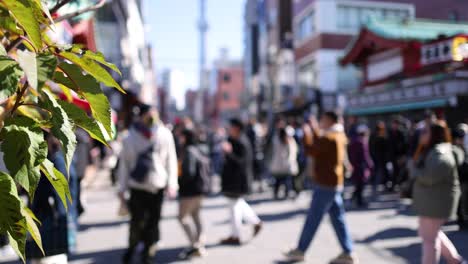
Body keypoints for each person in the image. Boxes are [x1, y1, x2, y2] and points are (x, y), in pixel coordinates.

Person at [285, 111, 357, 263]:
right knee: (338, 219)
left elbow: (313, 149)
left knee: (313, 218)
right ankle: (348, 251)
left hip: (326, 184)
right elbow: (321, 144)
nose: (321, 122)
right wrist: (315, 130)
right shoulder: (338, 135)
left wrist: (307, 134)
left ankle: (300, 250)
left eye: (322, 120)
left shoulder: (330, 137)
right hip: (334, 183)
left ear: (330, 120)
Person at [118, 104, 178, 264]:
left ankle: (148, 254)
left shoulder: (164, 134)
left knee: (153, 222)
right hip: (137, 186)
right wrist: (121, 188)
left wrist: (172, 183)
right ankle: (131, 248)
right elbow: (124, 164)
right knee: (136, 222)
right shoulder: (130, 136)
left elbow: (171, 160)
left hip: (157, 185)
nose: (151, 118)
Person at [410, 121, 466, 264]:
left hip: (435, 203)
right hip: (432, 201)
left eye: (425, 132)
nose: (421, 135)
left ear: (434, 134)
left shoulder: (440, 152)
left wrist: (414, 170)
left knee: (429, 239)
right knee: (430, 234)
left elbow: (430, 176)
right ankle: (455, 260)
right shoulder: (433, 149)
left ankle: (454, 260)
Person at [26, 133, 78, 264]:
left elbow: (60, 194)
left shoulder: (56, 161)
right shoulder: (53, 159)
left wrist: (61, 216)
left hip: (51, 216)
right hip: (48, 215)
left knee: (51, 254)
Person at [220, 118, 263, 245]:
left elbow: (241, 163)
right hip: (234, 181)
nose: (229, 129)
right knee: (237, 204)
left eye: (231, 127)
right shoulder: (235, 140)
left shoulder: (241, 142)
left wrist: (229, 152)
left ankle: (236, 235)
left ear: (237, 128)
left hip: (237, 181)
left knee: (234, 206)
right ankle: (255, 223)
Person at [177, 129, 210, 259]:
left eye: (181, 136)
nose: (180, 139)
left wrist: (179, 180)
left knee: (182, 217)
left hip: (190, 191)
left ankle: (195, 245)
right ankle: (200, 242)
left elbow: (189, 173)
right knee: (196, 215)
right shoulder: (198, 149)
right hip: (200, 190)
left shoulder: (189, 151)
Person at [348, 124, 374, 207]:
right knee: (360, 185)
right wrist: (370, 164)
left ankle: (355, 199)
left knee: (358, 185)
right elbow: (365, 155)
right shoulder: (362, 142)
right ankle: (359, 201)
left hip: (354, 166)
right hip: (361, 167)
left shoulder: (353, 141)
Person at [271, 126, 299, 199]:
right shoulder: (277, 140)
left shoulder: (290, 141)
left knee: (286, 181)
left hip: (286, 165)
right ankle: (277, 193)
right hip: (280, 165)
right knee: (279, 180)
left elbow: (293, 153)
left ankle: (286, 193)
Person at [453, 125, 468, 230]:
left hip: (464, 177)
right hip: (460, 178)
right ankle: (461, 220)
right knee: (461, 200)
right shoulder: (454, 150)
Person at [388, 118, 408, 191]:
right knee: (395, 171)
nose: (394, 125)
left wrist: (403, 156)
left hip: (399, 156)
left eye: (395, 124)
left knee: (400, 172)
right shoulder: (391, 132)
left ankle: (400, 186)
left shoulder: (401, 133)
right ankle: (394, 185)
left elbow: (404, 145)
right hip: (393, 156)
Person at [369, 121, 389, 195]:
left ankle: (385, 185)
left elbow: (387, 147)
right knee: (376, 172)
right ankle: (374, 185)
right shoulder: (374, 135)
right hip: (375, 157)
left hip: (383, 158)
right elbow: (371, 147)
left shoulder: (385, 135)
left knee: (384, 171)